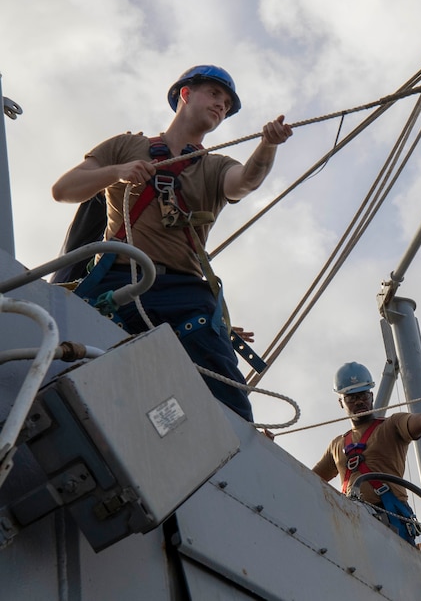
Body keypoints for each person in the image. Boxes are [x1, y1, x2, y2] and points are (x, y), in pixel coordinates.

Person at [51, 65, 293, 422]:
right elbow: (64, 189)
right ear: (185, 94)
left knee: (231, 404)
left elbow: (245, 181)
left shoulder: (214, 166)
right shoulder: (126, 146)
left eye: (226, 103)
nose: (221, 105)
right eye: (214, 94)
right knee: (66, 363)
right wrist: (116, 172)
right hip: (117, 281)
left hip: (183, 292)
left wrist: (267, 146)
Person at [312, 361, 421, 544]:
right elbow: (306, 478)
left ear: (371, 396)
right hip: (351, 518)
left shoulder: (392, 426)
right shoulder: (337, 445)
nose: (359, 401)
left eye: (363, 395)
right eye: (351, 398)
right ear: (341, 402)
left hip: (390, 518)